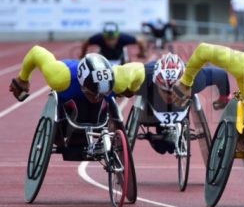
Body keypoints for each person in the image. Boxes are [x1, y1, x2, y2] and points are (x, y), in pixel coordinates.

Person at [9, 45, 146, 153]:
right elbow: (36, 52)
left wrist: (131, 89)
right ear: (82, 85)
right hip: (68, 97)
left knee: (100, 105)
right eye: (94, 94)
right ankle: (65, 131)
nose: (97, 98)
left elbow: (140, 70)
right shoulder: (59, 77)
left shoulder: (119, 79)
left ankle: (96, 125)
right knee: (77, 106)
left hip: (97, 104)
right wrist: (23, 78)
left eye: (103, 93)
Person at [137, 53, 231, 154]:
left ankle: (169, 136)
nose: (170, 95)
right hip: (153, 99)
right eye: (165, 91)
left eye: (174, 90)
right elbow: (118, 78)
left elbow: (221, 75)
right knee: (163, 147)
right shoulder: (143, 77)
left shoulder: (196, 78)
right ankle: (155, 138)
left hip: (181, 101)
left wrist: (223, 98)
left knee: (170, 146)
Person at [80, 22, 147, 65]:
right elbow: (86, 43)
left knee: (127, 65)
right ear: (104, 37)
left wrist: (142, 53)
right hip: (104, 58)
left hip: (120, 58)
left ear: (118, 37)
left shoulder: (123, 38)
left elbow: (141, 41)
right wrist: (83, 54)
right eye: (108, 39)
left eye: (113, 39)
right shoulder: (99, 38)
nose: (110, 42)